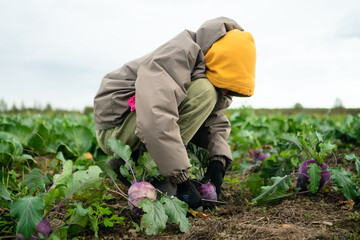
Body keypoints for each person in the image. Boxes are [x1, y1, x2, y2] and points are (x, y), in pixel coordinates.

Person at [94, 16, 256, 209]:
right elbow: (155, 117)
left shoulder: (206, 67)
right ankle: (154, 172)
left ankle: (133, 165)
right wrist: (181, 180)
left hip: (138, 119)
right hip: (117, 125)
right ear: (216, 62)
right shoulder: (177, 56)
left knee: (207, 93)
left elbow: (214, 119)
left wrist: (218, 160)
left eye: (232, 92)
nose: (226, 94)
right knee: (205, 91)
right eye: (227, 88)